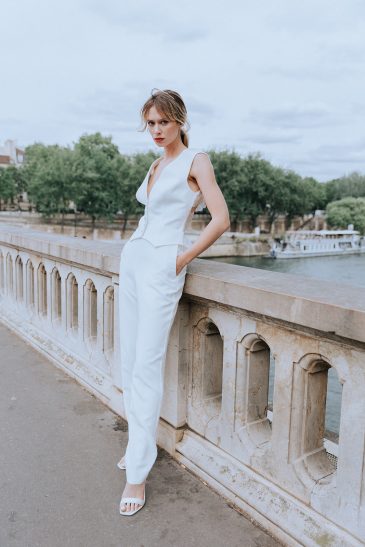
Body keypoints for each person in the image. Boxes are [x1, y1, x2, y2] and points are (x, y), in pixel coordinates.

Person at [118, 88, 230, 516]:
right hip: (134, 259)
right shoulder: (156, 162)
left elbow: (220, 219)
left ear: (180, 120)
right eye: (150, 122)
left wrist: (181, 258)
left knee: (146, 366)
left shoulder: (195, 160)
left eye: (163, 121)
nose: (156, 130)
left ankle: (137, 475)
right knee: (130, 361)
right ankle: (136, 445)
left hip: (163, 264)